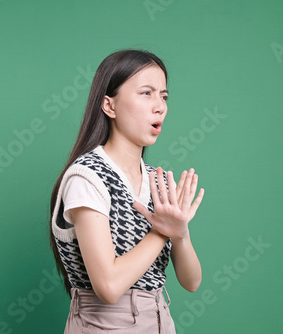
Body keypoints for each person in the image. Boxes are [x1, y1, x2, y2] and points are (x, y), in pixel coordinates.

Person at [49, 49, 205, 333]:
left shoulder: (156, 182)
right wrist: (161, 232)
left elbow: (191, 282)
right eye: (146, 93)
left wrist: (179, 232)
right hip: (105, 324)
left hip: (159, 320)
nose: (160, 106)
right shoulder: (87, 177)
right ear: (109, 106)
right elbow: (108, 286)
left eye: (164, 96)